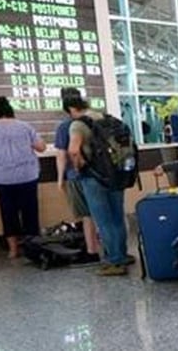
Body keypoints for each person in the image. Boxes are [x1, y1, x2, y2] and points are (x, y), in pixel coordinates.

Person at [66, 96, 130, 276]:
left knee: (103, 221)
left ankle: (114, 261)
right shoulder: (106, 118)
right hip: (116, 175)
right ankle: (123, 255)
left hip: (94, 177)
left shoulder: (78, 125)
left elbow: (73, 150)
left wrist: (78, 166)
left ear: (71, 109)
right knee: (118, 217)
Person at [0, 97, 45, 259]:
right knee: (30, 211)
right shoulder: (25, 126)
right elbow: (41, 147)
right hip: (27, 176)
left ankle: (13, 250)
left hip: (2, 177)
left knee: (8, 212)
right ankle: (33, 248)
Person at [55, 88, 100, 263]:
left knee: (86, 214)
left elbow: (63, 154)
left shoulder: (67, 125)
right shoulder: (98, 118)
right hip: (103, 175)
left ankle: (91, 251)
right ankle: (115, 251)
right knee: (106, 213)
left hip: (78, 175)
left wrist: (60, 179)